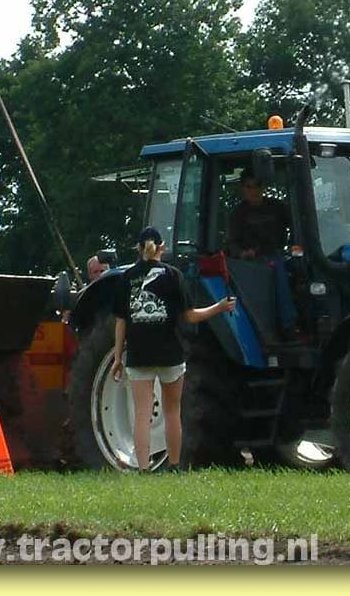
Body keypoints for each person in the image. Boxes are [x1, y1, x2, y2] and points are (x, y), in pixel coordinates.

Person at [111, 227, 235, 472]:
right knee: (172, 411)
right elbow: (189, 316)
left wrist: (117, 357)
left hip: (139, 355)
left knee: (142, 414)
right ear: (162, 247)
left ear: (138, 248)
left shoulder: (126, 278)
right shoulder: (173, 275)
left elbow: (121, 322)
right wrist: (219, 307)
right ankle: (175, 465)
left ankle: (143, 468)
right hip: (170, 354)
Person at [226, 166, 299, 340]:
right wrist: (242, 253)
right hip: (250, 262)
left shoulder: (277, 207)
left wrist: (296, 246)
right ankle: (287, 325)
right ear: (243, 188)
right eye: (249, 186)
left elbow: (296, 227)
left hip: (279, 255)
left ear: (263, 186)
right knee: (277, 272)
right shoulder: (238, 214)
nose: (253, 191)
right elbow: (231, 243)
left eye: (257, 185)